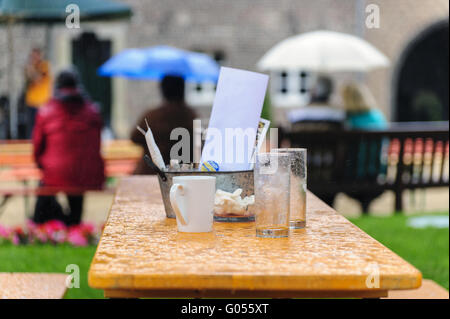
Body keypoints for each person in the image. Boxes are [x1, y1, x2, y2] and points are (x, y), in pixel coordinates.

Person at [32, 69, 105, 225]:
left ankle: (41, 226)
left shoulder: (46, 111)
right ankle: (73, 223)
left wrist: (41, 164)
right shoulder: (92, 111)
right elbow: (97, 144)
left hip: (54, 173)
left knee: (46, 191)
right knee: (75, 182)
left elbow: (37, 147)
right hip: (87, 174)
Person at [131, 75, 197, 174]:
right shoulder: (191, 116)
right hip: (182, 174)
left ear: (163, 90)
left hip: (151, 172)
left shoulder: (152, 116)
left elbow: (134, 137)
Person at [24, 48, 52, 138]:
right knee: (31, 127)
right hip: (31, 102)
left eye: (35, 55)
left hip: (42, 102)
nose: (33, 58)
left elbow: (38, 79)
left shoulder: (44, 66)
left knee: (42, 126)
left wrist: (31, 69)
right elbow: (28, 81)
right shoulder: (30, 67)